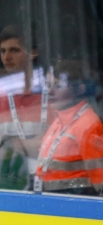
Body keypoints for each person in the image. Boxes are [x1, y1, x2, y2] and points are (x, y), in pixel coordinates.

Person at [0, 25, 55, 189]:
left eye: (14, 50)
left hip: (48, 187)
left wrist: (6, 142)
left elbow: (55, 148)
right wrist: (32, 144)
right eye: (2, 51)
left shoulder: (51, 94)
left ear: (33, 53)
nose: (6, 57)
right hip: (8, 186)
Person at [34, 61, 103, 195]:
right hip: (52, 200)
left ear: (79, 89)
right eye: (48, 85)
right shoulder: (58, 121)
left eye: (58, 85)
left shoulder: (87, 125)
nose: (50, 91)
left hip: (74, 203)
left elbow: (101, 185)